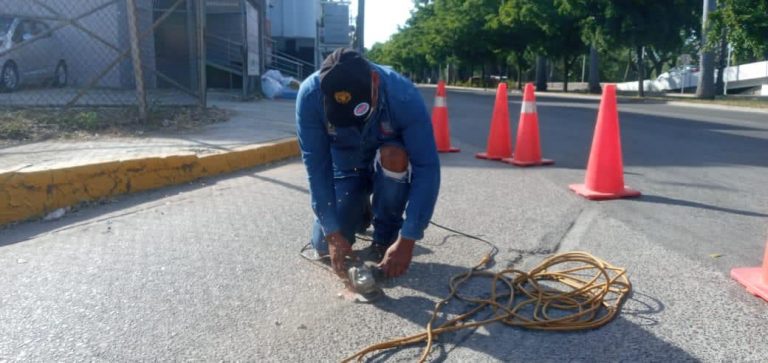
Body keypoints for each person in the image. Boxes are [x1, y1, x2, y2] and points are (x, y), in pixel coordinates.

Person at [296, 48, 440, 280]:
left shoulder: (403, 96)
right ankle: (359, 204)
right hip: (346, 168)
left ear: (374, 82)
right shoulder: (310, 97)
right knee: (323, 247)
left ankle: (385, 236)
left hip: (387, 165)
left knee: (394, 155)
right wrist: (332, 234)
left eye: (357, 112)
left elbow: (427, 168)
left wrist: (408, 239)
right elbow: (317, 169)